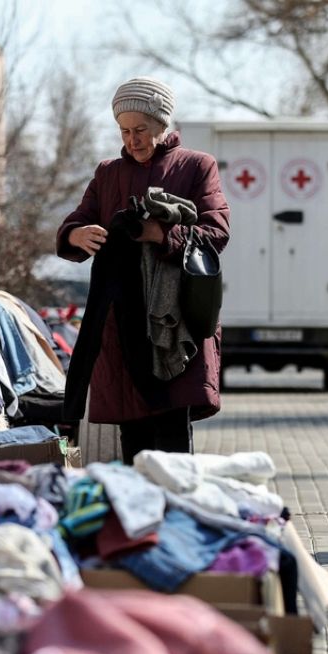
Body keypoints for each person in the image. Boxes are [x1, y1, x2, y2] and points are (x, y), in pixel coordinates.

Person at [57, 76, 230, 464]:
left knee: (172, 445)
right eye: (124, 131)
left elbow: (216, 233)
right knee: (133, 444)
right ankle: (141, 520)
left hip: (174, 323)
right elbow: (76, 222)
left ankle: (173, 516)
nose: (131, 140)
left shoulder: (196, 166)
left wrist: (159, 233)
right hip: (121, 327)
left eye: (140, 130)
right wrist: (76, 234)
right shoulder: (108, 173)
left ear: (162, 125)